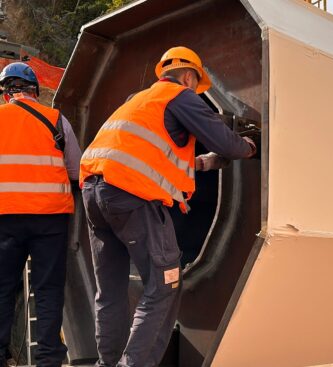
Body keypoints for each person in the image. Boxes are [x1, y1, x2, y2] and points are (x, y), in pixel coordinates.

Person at [79, 46, 256, 367]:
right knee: (165, 285)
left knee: (110, 292)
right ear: (189, 77)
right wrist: (249, 146)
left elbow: (155, 158)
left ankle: (106, 363)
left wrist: (205, 164)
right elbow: (227, 142)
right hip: (130, 195)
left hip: (94, 194)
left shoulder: (138, 102)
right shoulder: (180, 96)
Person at [0, 62, 82, 367]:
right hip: (50, 218)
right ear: (35, 90)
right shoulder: (56, 120)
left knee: (3, 286)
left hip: (5, 218)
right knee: (47, 289)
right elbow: (76, 170)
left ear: (7, 93)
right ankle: (49, 359)